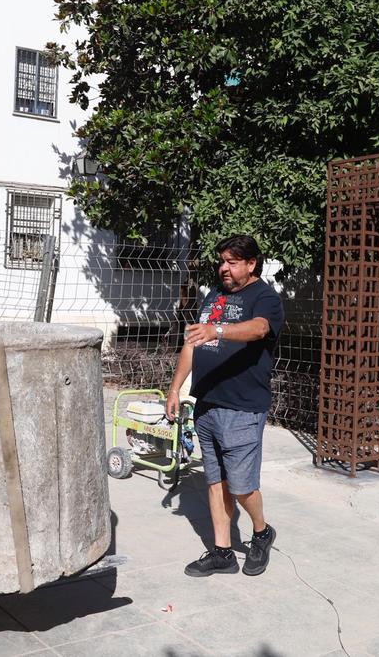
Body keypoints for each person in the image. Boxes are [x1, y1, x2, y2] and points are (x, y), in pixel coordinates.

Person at [166, 234, 283, 577]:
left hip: (243, 407)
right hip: (208, 403)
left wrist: (218, 329)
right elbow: (192, 341)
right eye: (222, 261)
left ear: (252, 264)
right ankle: (222, 552)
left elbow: (260, 329)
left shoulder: (265, 298)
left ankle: (261, 532)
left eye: (233, 262)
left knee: (242, 485)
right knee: (215, 481)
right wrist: (175, 388)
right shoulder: (214, 295)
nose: (224, 268)